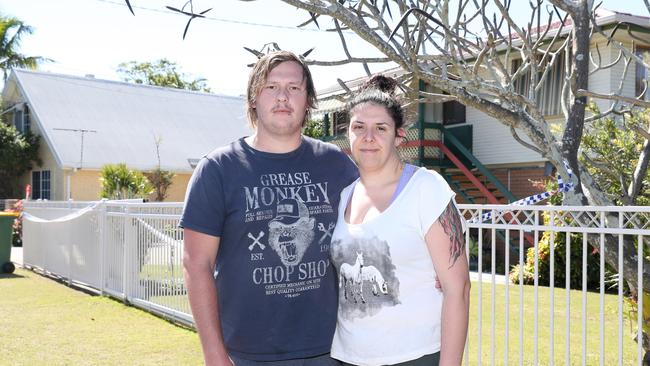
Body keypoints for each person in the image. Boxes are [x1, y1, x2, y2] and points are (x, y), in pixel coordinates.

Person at [180, 50, 358, 366]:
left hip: (333, 351)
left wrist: (432, 265)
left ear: (308, 101)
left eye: (294, 88)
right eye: (271, 87)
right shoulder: (218, 170)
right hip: (246, 355)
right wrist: (214, 354)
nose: (282, 97)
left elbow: (377, 225)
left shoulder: (337, 166)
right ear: (253, 99)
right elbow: (197, 264)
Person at [329, 75, 471, 366]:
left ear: (398, 136)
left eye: (380, 128)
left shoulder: (425, 188)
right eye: (359, 127)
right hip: (347, 356)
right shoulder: (344, 195)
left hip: (413, 356)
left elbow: (459, 289)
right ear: (349, 134)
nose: (368, 137)